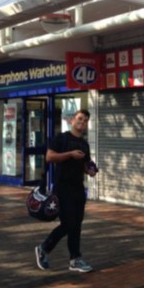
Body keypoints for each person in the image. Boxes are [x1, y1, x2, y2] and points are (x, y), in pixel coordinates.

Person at [35, 109, 98, 272]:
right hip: (62, 188)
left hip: (78, 188)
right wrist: (70, 154)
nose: (82, 122)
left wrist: (90, 170)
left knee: (76, 225)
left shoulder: (84, 144)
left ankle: (75, 260)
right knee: (69, 223)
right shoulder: (61, 138)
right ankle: (44, 247)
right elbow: (49, 157)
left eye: (85, 121)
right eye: (80, 119)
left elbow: (85, 164)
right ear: (72, 120)